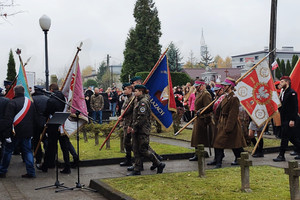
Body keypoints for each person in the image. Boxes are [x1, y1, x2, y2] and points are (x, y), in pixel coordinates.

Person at [126, 85, 165, 176]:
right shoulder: (137, 101)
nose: (134, 93)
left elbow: (141, 118)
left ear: (141, 91)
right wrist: (131, 126)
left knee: (143, 149)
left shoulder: (143, 102)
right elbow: (134, 116)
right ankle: (137, 169)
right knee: (135, 149)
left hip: (142, 130)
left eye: (136, 91)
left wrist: (134, 127)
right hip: (137, 129)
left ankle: (159, 163)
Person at [0, 85, 36, 178]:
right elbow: (33, 118)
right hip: (27, 132)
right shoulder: (30, 103)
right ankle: (31, 172)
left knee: (8, 152)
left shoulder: (12, 103)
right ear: (24, 92)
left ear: (15, 92)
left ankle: (2, 171)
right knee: (28, 152)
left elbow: (8, 120)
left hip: (14, 132)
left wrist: (5, 133)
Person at [213, 77, 247, 168]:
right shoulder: (225, 96)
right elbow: (218, 108)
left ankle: (220, 162)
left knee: (232, 144)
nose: (223, 87)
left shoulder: (234, 98)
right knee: (232, 143)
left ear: (230, 86)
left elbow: (233, 114)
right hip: (222, 122)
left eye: (225, 85)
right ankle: (218, 161)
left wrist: (229, 127)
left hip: (230, 123)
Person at [38, 83, 66, 172]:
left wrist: (44, 114)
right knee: (64, 146)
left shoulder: (51, 100)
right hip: (62, 123)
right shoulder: (63, 97)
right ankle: (67, 166)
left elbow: (47, 112)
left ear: (51, 90)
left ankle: (46, 165)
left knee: (51, 146)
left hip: (53, 125)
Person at [273, 76, 300, 162]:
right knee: (293, 138)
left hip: (290, 119)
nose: (280, 83)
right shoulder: (283, 92)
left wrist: (292, 120)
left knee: (284, 138)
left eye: (282, 82)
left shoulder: (292, 93)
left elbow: (294, 107)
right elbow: (283, 106)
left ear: (287, 82)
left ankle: (281, 155)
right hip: (284, 119)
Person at [189, 80, 213, 161]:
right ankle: (197, 154)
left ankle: (199, 154)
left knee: (199, 138)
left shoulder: (206, 94)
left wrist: (201, 110)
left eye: (197, 86)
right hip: (198, 118)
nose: (196, 88)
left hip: (203, 118)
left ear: (202, 86)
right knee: (196, 138)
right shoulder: (198, 93)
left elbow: (208, 107)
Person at [207, 83, 225, 166]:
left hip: (222, 122)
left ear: (221, 90)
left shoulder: (224, 98)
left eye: (217, 90)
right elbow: (211, 107)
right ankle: (217, 159)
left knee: (219, 142)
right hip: (216, 122)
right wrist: (202, 110)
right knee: (216, 141)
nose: (215, 92)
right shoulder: (216, 98)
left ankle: (219, 161)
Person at [32, 86, 49, 168]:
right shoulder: (47, 98)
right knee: (45, 139)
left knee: (36, 141)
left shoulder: (33, 99)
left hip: (35, 123)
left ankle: (38, 158)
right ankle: (47, 156)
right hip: (46, 121)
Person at [119, 83, 134, 166]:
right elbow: (123, 108)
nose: (124, 91)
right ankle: (128, 159)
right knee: (126, 142)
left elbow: (129, 111)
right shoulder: (127, 98)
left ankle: (140, 160)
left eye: (125, 89)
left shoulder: (133, 98)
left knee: (133, 144)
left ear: (130, 89)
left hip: (130, 123)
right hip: (125, 122)